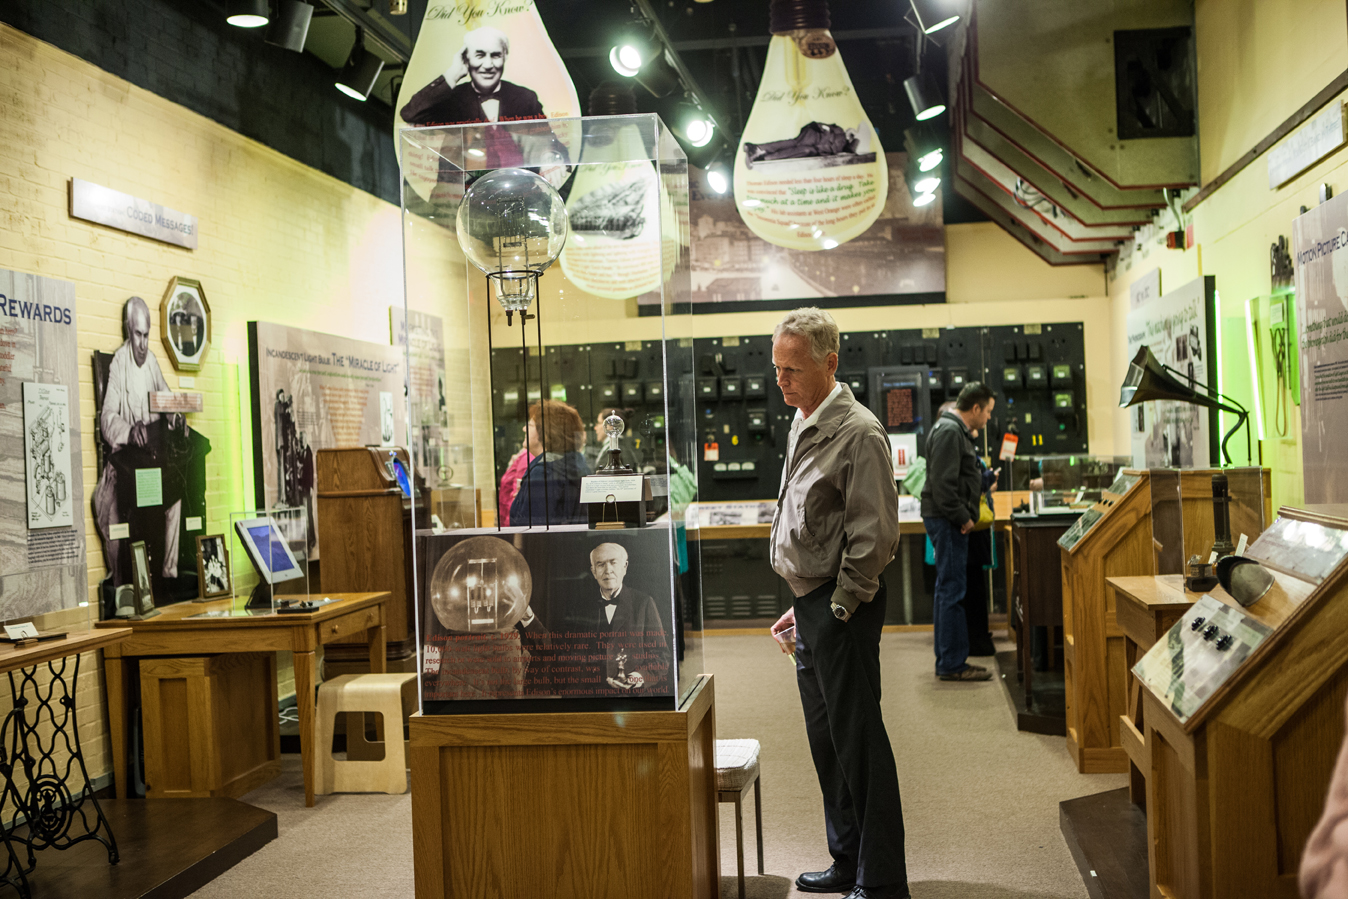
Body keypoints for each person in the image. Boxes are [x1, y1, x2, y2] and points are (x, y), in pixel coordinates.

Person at [766, 308, 909, 899]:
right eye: (776, 368)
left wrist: (837, 607)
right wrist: (803, 602)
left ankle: (882, 883)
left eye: (792, 369)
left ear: (830, 363)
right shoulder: (804, 421)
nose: (781, 380)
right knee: (827, 743)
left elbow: (873, 536)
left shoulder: (859, 432)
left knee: (860, 745)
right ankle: (846, 860)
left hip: (842, 609)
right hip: (814, 604)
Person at [93, 296, 184, 581]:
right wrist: (130, 432)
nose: (143, 344)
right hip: (126, 466)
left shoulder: (152, 362)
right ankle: (124, 585)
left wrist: (174, 416)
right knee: (111, 515)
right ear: (128, 331)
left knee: (176, 500)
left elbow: (167, 398)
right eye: (138, 335)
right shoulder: (119, 363)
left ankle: (169, 574)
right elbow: (107, 417)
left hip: (151, 466)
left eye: (146, 336)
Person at [922, 382, 996, 681]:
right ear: (975, 408)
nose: (989, 418)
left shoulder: (952, 429)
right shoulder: (951, 431)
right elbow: (943, 486)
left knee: (948, 590)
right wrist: (964, 518)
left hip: (947, 519)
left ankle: (951, 660)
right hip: (948, 520)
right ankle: (952, 664)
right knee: (952, 591)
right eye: (988, 412)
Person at [399, 26, 545, 127]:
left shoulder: (526, 99)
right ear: (466, 59)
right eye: (479, 55)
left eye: (495, 55)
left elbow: (549, 142)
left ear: (505, 57)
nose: (488, 65)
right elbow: (410, 114)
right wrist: (453, 74)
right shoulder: (449, 99)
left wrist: (548, 155)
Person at [584, 542, 670, 692]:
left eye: (613, 563)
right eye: (600, 564)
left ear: (625, 567)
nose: (608, 570)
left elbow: (661, 657)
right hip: (592, 695)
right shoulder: (582, 606)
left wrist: (635, 678)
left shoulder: (644, 603)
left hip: (632, 696)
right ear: (593, 571)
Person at [510, 400, 590, 526]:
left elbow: (533, 533)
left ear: (546, 432)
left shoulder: (543, 473)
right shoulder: (573, 465)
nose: (524, 428)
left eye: (530, 425)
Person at [743, 122, 859, 165]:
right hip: (814, 136)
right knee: (793, 144)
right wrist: (820, 128)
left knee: (799, 148)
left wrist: (855, 139)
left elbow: (851, 151)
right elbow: (824, 126)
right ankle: (759, 150)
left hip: (815, 147)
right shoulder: (840, 132)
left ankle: (764, 155)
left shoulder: (844, 146)